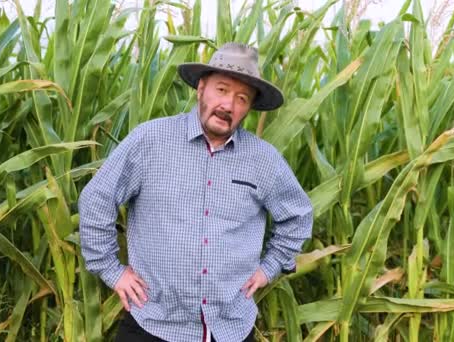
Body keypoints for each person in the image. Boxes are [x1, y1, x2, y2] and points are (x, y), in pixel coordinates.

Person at [79, 42, 313, 342]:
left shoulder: (263, 160)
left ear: (249, 107)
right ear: (201, 88)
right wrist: (112, 270)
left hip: (229, 328)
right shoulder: (150, 141)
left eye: (242, 98)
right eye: (222, 90)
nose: (228, 105)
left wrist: (269, 267)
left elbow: (298, 216)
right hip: (153, 323)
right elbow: (97, 199)